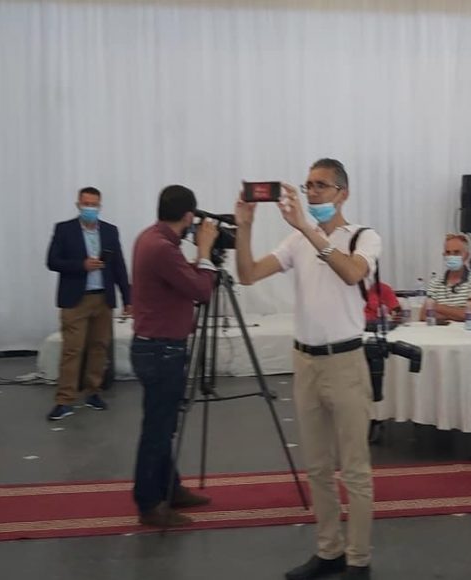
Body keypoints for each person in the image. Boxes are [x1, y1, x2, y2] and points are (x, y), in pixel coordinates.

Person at [235, 159, 379, 580]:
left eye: (321, 185)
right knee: (317, 466)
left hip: (346, 362)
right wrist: (244, 226)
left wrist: (307, 229)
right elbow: (248, 275)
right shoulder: (297, 240)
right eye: (308, 185)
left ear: (342, 193)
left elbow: (352, 273)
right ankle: (329, 550)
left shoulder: (363, 237)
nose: (312, 193)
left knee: (355, 469)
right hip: (307, 361)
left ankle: (358, 559)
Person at [129, 185, 217, 527]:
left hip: (155, 347)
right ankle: (149, 503)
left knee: (162, 426)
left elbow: (177, 278)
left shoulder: (150, 238)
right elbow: (202, 291)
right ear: (189, 216)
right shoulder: (163, 248)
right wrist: (206, 253)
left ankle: (170, 488)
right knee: (158, 429)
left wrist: (195, 263)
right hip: (161, 351)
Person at [45, 187, 132, 421]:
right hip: (76, 300)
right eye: (86, 204)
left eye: (94, 205)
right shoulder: (64, 230)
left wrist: (127, 298)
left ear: (100, 206)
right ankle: (64, 400)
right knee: (72, 350)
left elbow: (119, 266)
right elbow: (52, 261)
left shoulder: (110, 231)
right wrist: (81, 265)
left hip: (103, 299)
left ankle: (93, 391)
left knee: (99, 348)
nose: (90, 208)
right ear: (78, 205)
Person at [422, 234, 471, 322]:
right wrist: (456, 314)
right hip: (439, 330)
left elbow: (469, 313)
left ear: (466, 256)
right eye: (448, 253)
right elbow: (423, 315)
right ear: (444, 255)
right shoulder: (435, 282)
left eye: (456, 252)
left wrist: (436, 307)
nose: (451, 256)